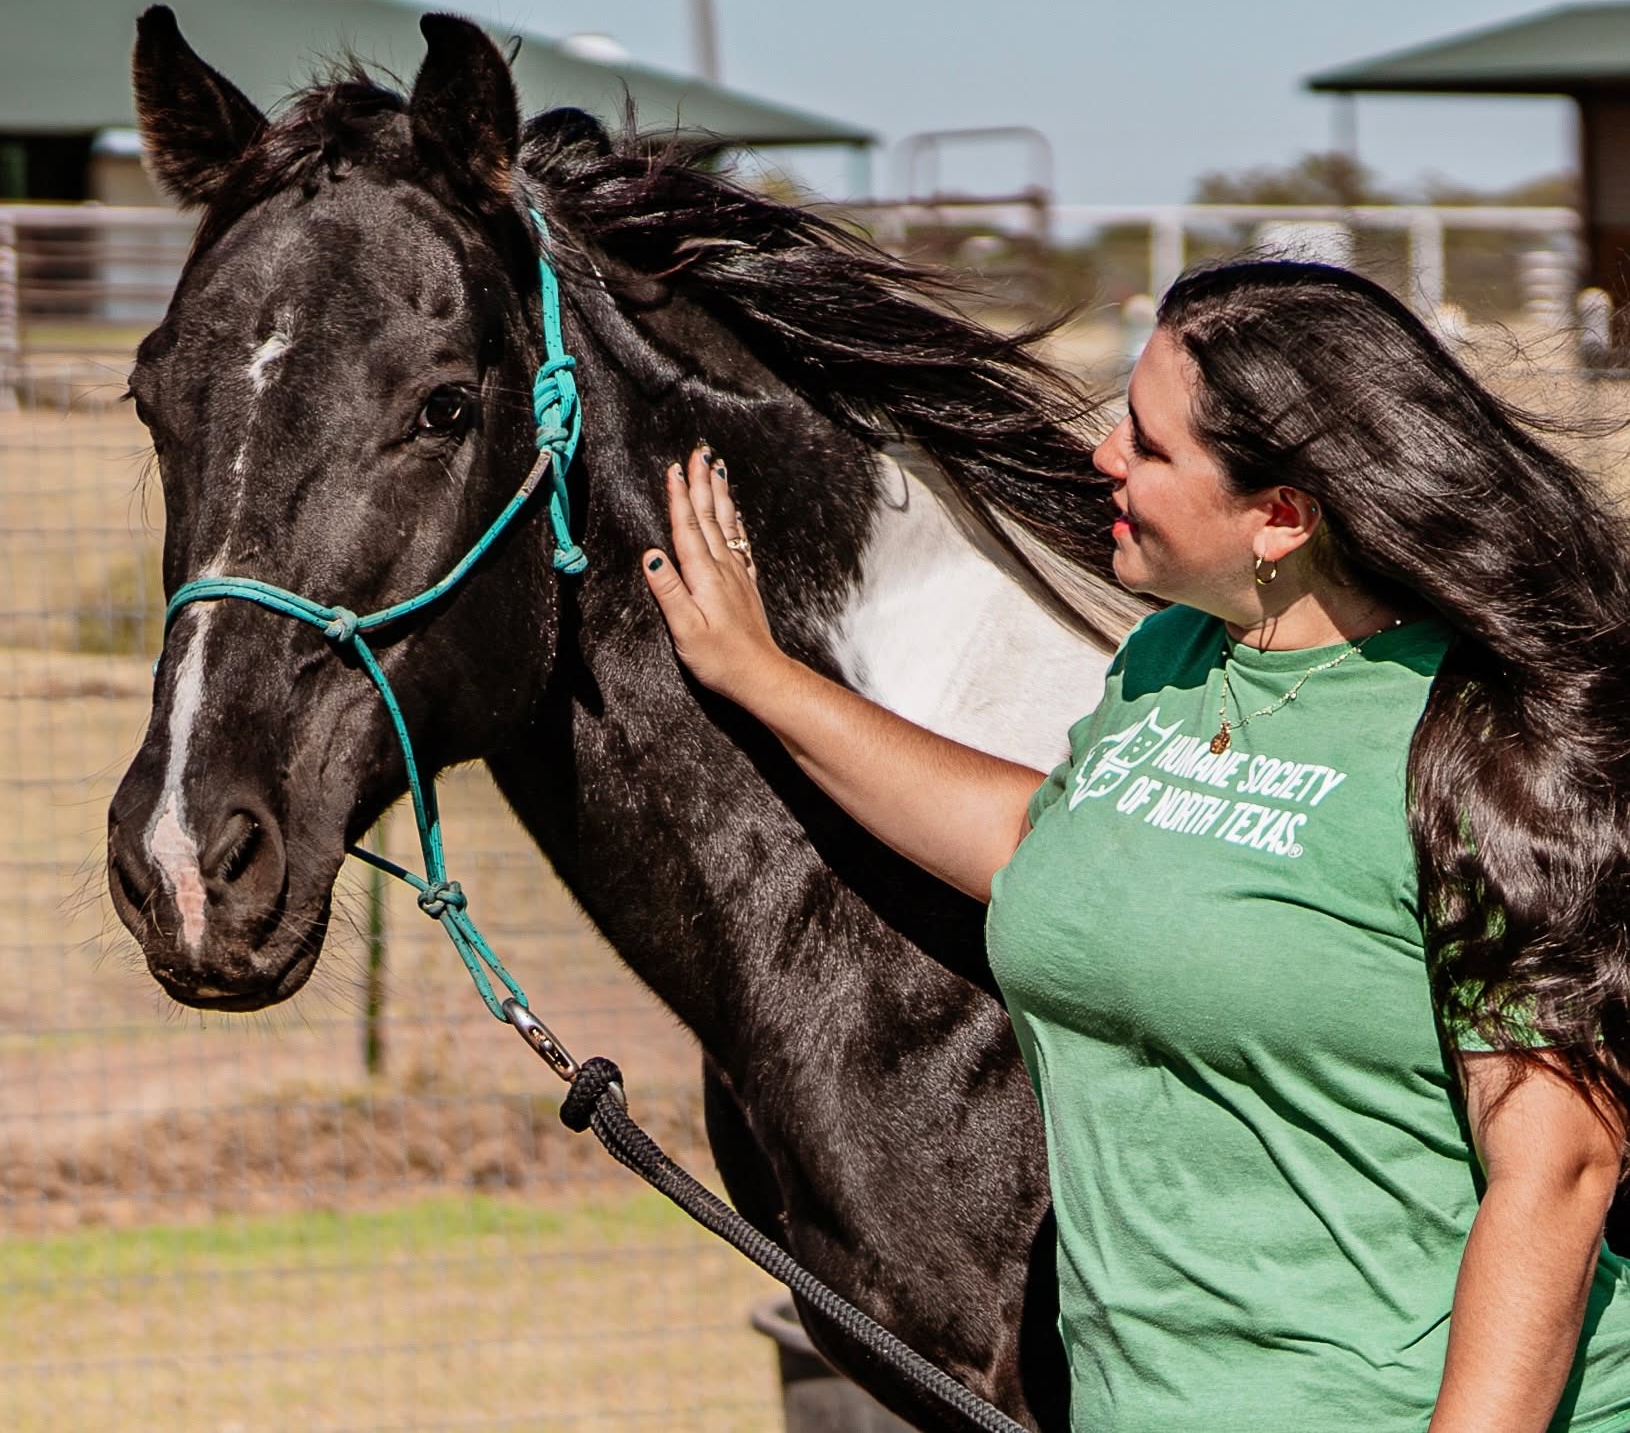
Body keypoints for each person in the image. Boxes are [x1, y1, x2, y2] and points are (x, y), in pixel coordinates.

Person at [639, 259, 1630, 1432]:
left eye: (1151, 448)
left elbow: (1556, 1164)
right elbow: (1048, 844)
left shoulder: (1488, 736)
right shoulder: (1170, 661)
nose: (1104, 455)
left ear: (1282, 514)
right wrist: (766, 677)